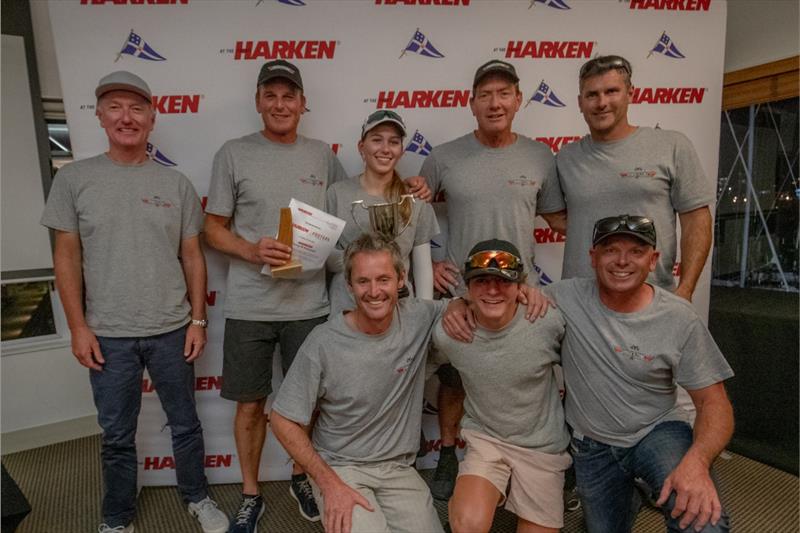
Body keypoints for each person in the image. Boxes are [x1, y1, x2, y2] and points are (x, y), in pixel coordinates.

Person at [41, 71, 227, 533]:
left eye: (137, 108)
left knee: (185, 424)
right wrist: (78, 327)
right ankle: (117, 517)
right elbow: (66, 258)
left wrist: (198, 319)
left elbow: (192, 256)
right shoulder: (75, 180)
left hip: (171, 330)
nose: (127, 117)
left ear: (152, 117)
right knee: (117, 436)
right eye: (116, 107)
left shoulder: (176, 184)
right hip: (107, 335)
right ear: (101, 116)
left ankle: (198, 498)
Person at [203, 59, 347, 530]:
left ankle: (300, 474)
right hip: (250, 305)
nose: (280, 104)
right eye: (271, 95)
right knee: (250, 404)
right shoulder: (232, 153)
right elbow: (212, 229)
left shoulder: (323, 155)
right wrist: (249, 249)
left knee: (304, 402)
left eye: (289, 96)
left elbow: (356, 204)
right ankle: (249, 492)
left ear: (304, 104)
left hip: (309, 304)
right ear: (259, 102)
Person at [419, 59, 565, 499]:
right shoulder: (443, 156)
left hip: (518, 293)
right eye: (485, 94)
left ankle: (533, 458)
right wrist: (429, 266)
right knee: (453, 378)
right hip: (462, 293)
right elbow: (414, 219)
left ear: (519, 99)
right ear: (472, 103)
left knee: (525, 378)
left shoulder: (540, 155)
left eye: (504, 93)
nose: (495, 102)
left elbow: (560, 220)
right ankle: (448, 453)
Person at [543, 215, 734, 533]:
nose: (622, 261)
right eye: (610, 250)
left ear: (654, 260)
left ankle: (646, 480)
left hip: (658, 432)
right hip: (593, 445)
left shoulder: (678, 318)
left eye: (636, 251)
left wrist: (697, 463)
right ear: (593, 257)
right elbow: (503, 295)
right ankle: (632, 490)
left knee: (703, 521)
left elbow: (715, 404)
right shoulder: (565, 297)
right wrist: (458, 304)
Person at [270, 234, 450, 533]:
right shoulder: (323, 342)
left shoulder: (420, 316)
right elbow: (282, 420)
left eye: (383, 279)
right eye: (363, 281)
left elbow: (470, 306)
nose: (374, 291)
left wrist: (525, 292)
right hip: (341, 468)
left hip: (398, 469)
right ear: (349, 285)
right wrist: (329, 484)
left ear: (401, 280)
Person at [430, 239, 571, 533]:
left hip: (541, 446)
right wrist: (454, 304)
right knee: (467, 525)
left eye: (503, 282)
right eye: (482, 281)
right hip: (487, 439)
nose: (492, 291)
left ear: (520, 285)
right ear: (467, 288)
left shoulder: (547, 321)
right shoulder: (451, 331)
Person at [556, 55, 713, 302]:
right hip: (580, 305)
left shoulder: (671, 145)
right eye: (592, 95)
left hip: (652, 299)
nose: (602, 102)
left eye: (611, 91)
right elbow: (557, 218)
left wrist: (686, 289)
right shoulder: (565, 158)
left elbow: (696, 219)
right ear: (580, 102)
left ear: (631, 93)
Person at [326, 110, 438, 315]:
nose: (385, 149)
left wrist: (425, 316)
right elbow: (326, 258)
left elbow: (422, 268)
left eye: (394, 142)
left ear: (402, 150)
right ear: (362, 147)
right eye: (377, 140)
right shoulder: (337, 194)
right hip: (347, 310)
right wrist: (368, 261)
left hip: (401, 312)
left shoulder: (415, 199)